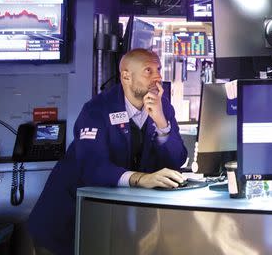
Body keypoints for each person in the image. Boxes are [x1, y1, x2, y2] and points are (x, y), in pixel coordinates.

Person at [28, 49, 188, 255]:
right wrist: (141, 179)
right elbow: (93, 167)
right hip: (65, 220)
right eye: (148, 71)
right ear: (126, 76)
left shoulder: (162, 106)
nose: (157, 77)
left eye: (158, 69)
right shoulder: (97, 109)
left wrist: (161, 122)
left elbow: (177, 159)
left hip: (110, 220)